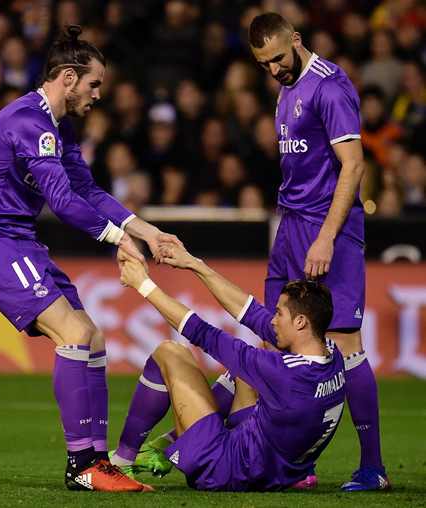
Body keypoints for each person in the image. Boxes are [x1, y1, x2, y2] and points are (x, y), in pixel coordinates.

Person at [0, 24, 184, 493]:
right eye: (94, 83)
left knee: (93, 338)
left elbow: (85, 189)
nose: (99, 94)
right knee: (75, 333)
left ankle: (98, 461)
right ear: (66, 77)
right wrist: (118, 239)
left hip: (16, 239)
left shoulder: (57, 126)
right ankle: (82, 465)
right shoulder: (30, 122)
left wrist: (145, 230)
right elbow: (61, 199)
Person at [246, 12, 388, 491]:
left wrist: (326, 235)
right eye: (263, 64)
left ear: (297, 41)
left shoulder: (330, 86)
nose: (273, 70)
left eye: (278, 59)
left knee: (345, 343)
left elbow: (353, 165)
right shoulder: (286, 87)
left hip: (330, 229)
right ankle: (293, 465)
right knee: (277, 340)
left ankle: (373, 468)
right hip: (290, 227)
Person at [110, 245, 346, 492]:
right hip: (274, 472)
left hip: (223, 469)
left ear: (300, 322)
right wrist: (195, 264)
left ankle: (121, 462)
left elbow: (201, 332)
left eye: (279, 313)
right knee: (244, 373)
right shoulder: (332, 355)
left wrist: (143, 284)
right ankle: (165, 443)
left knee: (171, 352)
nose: (273, 320)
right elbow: (252, 313)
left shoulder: (284, 373)